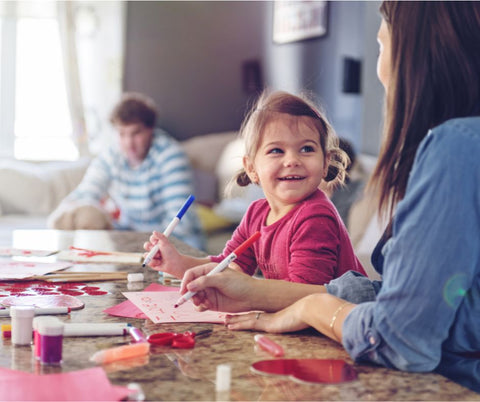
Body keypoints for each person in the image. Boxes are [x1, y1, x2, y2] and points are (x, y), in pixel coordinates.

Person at [178, 1, 480, 392]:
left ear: (412, 55)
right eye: (276, 151)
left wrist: (314, 306)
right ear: (250, 168)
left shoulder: (456, 149)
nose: (380, 68)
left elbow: (402, 340)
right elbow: (424, 304)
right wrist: (254, 291)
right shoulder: (460, 148)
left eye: (380, 46)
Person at [144, 91, 366, 283]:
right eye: (276, 150)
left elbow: (307, 294)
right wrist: (178, 263)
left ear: (326, 161)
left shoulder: (316, 216)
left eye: (307, 149)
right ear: (251, 168)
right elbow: (228, 266)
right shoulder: (255, 213)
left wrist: (252, 302)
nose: (292, 161)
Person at [48, 92, 205, 250]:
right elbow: (86, 192)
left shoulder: (171, 157)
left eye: (136, 133)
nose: (128, 143)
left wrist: (145, 247)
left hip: (174, 241)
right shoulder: (111, 155)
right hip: (131, 237)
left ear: (150, 129)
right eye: (122, 134)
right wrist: (63, 215)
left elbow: (180, 223)